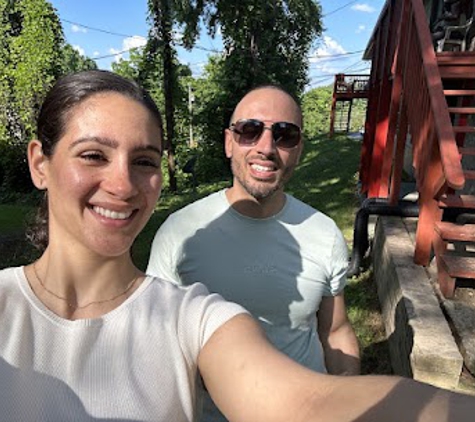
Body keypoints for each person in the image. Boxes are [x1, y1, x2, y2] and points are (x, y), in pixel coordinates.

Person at [1, 70, 474, 422]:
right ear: (39, 163)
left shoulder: (194, 315)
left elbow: (309, 396)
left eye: (143, 161)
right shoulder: (181, 234)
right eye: (93, 155)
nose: (123, 184)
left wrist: (343, 388)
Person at [147, 85, 360, 420]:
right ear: (228, 142)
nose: (266, 147)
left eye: (284, 134)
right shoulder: (180, 233)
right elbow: (154, 342)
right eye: (250, 130)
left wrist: (348, 393)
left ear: (298, 149)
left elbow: (335, 330)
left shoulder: (324, 233)